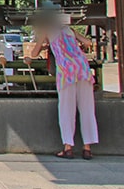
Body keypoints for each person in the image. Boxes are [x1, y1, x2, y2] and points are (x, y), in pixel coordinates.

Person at [25, 12, 98, 159]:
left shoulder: (47, 30)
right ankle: (87, 148)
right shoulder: (69, 30)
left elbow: (33, 53)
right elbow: (88, 43)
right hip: (82, 68)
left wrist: (45, 44)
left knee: (66, 109)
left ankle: (68, 147)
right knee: (87, 109)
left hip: (66, 71)